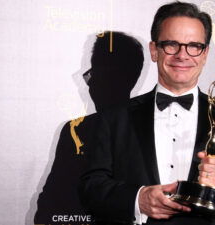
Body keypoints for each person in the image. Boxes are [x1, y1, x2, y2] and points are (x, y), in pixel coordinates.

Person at [78, 1, 215, 225]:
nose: (183, 55)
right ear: (154, 50)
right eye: (171, 44)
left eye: (194, 46)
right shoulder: (114, 118)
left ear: (205, 53)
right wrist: (137, 199)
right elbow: (89, 190)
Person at [34, 31, 144, 225]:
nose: (89, 83)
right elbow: (47, 208)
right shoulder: (75, 130)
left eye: (94, 72)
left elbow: (48, 208)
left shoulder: (76, 130)